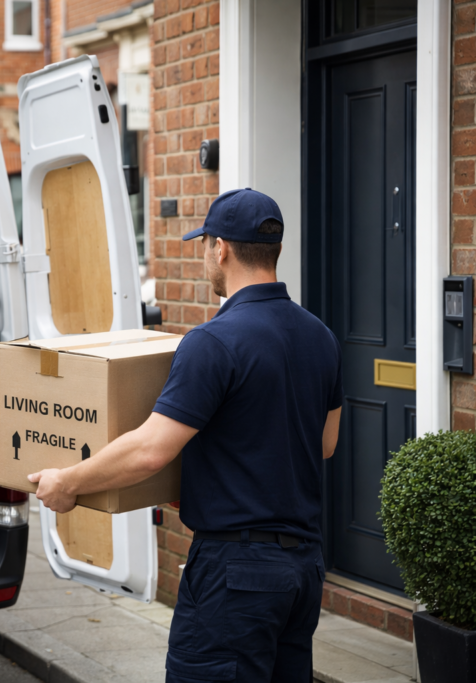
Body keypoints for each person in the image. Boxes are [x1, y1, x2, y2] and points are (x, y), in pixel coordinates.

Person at [28, 189, 343, 683]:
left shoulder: (213, 342)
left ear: (221, 248)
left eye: (205, 246)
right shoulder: (320, 336)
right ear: (274, 250)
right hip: (303, 570)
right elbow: (324, 444)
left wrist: (68, 482)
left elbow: (150, 450)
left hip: (234, 573)